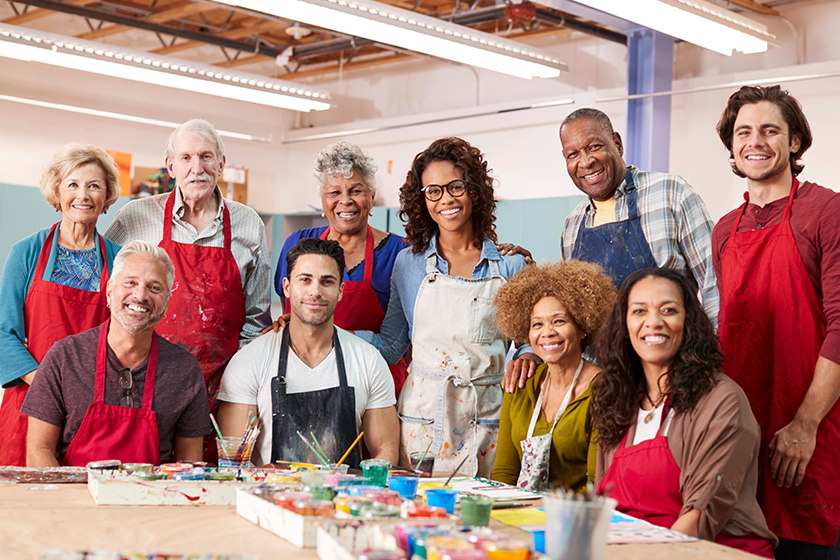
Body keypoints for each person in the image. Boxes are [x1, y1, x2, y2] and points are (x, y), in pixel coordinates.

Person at [355, 137, 537, 477]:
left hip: (488, 421)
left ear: (475, 190)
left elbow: (529, 341)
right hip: (421, 422)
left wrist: (528, 354)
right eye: (433, 191)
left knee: (484, 520)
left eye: (456, 186)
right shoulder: (408, 265)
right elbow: (393, 346)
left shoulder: (510, 267)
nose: (445, 200)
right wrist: (328, 332)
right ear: (421, 200)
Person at [714, 85, 840, 558]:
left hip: (811, 425)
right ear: (732, 145)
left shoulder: (827, 210)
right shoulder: (725, 229)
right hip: (743, 431)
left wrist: (804, 425)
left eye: (771, 130)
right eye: (744, 131)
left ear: (794, 142)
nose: (756, 141)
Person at [592, 268, 776, 557]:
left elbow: (697, 520)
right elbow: (602, 507)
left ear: (688, 322)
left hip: (712, 551)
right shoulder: (617, 401)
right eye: (639, 311)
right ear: (624, 326)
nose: (653, 322)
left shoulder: (721, 400)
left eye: (669, 310)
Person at [104, 119, 271, 423]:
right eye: (186, 158)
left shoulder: (248, 223)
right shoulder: (135, 218)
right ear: (170, 166)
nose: (197, 167)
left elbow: (257, 317)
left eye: (206, 156)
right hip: (145, 377)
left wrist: (237, 379)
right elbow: (106, 291)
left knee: (218, 467)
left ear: (220, 163)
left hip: (224, 385)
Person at [22, 241, 212, 466]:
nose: (140, 296)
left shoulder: (185, 370)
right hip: (74, 495)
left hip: (150, 497)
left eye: (155, 288)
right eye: (130, 282)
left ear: (166, 304)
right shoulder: (64, 357)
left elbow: (188, 464)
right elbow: (38, 451)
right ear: (110, 291)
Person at [217, 238, 399, 468]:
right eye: (305, 280)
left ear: (340, 291)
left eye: (327, 281)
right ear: (287, 287)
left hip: (342, 499)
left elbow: (386, 450)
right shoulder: (250, 361)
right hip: (271, 497)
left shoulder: (368, 360)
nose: (315, 291)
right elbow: (234, 461)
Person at [0, 144, 122, 466]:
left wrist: (80, 394)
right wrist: (47, 385)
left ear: (107, 196)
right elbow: (3, 333)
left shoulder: (119, 260)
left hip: (94, 407)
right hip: (31, 399)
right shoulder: (26, 253)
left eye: (94, 186)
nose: (83, 195)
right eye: (73, 184)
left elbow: (124, 337)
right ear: (57, 191)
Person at [275, 142, 408, 397]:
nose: (345, 201)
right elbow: (290, 315)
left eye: (356, 190)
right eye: (334, 192)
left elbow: (401, 345)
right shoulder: (297, 244)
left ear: (371, 197)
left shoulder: (400, 252)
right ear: (323, 200)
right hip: (305, 382)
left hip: (373, 387)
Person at [558, 108, 717, 322]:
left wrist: (714, 350)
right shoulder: (572, 225)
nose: (585, 162)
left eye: (594, 147)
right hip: (600, 356)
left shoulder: (670, 193)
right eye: (573, 154)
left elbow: (714, 283)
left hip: (670, 351)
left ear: (617, 143)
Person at [491, 260, 614, 492]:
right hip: (519, 514)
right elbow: (505, 472)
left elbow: (596, 483)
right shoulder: (520, 383)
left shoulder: (604, 390)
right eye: (537, 324)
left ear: (583, 325)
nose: (547, 333)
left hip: (573, 518)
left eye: (559, 321)